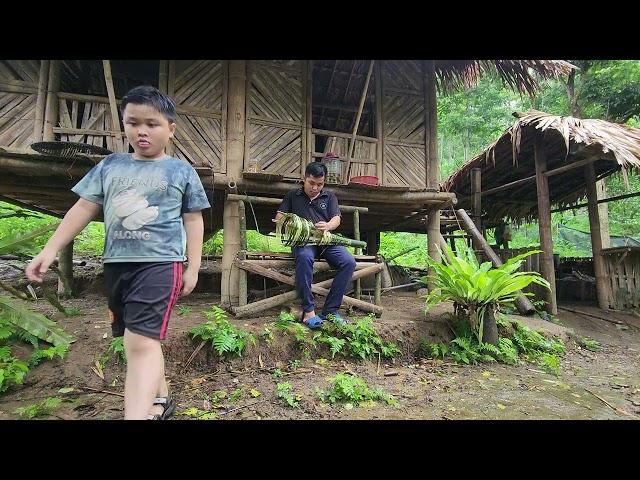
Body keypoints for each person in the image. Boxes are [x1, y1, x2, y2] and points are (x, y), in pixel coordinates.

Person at [25, 85, 210, 420]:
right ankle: (161, 400)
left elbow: (193, 219)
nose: (141, 130)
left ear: (171, 129)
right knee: (140, 339)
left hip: (161, 264)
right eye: (132, 122)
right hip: (116, 264)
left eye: (151, 124)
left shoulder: (181, 171)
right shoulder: (110, 165)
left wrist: (193, 267)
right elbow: (83, 207)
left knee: (138, 342)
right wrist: (50, 249)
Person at [275, 161, 356, 329]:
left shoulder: (329, 197)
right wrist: (297, 225)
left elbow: (336, 219)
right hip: (304, 241)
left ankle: (330, 311)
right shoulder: (292, 196)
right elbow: (279, 218)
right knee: (304, 258)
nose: (315, 187)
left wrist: (327, 226)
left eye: (320, 184)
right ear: (304, 179)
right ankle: (309, 310)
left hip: (326, 241)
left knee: (349, 262)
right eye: (312, 183)